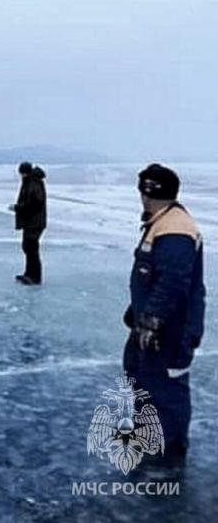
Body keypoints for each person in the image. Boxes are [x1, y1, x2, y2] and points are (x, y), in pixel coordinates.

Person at [123, 163, 205, 468]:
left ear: (148, 193)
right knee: (143, 379)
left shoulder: (175, 229)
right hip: (152, 328)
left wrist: (152, 318)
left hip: (170, 332)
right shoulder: (162, 222)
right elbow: (152, 278)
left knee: (165, 391)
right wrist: (138, 312)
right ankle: (149, 436)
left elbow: (173, 281)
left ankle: (166, 456)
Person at [10, 161, 47, 285]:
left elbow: (36, 202)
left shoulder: (34, 182)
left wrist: (19, 207)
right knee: (27, 247)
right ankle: (29, 274)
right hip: (31, 221)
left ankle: (35, 277)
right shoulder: (30, 182)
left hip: (35, 222)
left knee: (31, 248)